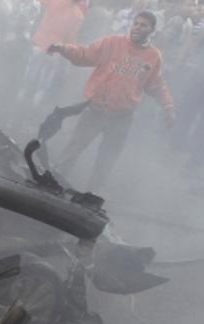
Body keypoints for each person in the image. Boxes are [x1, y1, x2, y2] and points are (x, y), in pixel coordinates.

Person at [48, 11, 174, 190]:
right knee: (73, 149)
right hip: (96, 110)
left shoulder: (154, 56)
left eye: (143, 25)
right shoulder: (112, 43)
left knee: (106, 160)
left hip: (122, 117)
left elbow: (156, 85)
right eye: (136, 23)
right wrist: (63, 48)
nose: (137, 27)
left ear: (152, 30)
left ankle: (91, 195)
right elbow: (85, 54)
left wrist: (168, 107)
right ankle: (53, 182)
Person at [20, 0, 90, 108]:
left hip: (39, 46)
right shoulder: (78, 15)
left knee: (27, 82)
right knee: (41, 88)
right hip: (54, 52)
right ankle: (30, 114)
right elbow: (70, 40)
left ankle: (16, 113)